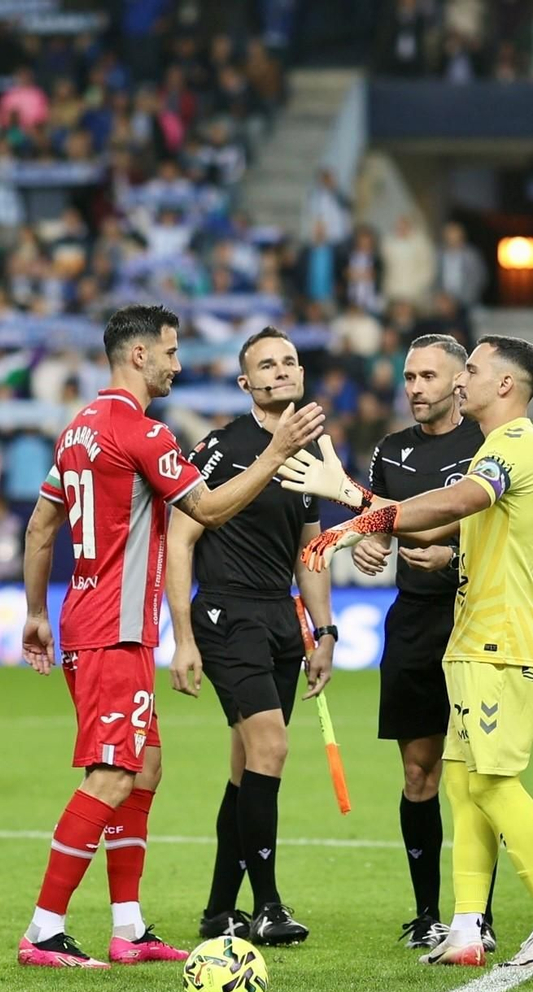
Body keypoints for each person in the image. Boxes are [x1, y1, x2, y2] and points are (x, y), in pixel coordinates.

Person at [17, 306, 323, 968]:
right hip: (113, 629)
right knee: (110, 774)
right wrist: (275, 452)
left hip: (89, 618)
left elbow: (42, 526)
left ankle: (128, 929)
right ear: (138, 356)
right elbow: (207, 510)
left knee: (146, 766)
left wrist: (36, 610)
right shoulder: (141, 431)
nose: (177, 365)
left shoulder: (77, 430)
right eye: (170, 353)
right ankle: (43, 928)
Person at [285, 335, 533, 970]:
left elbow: (455, 501)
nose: (460, 382)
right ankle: (465, 927)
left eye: (470, 371)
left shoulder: (516, 447)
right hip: (470, 639)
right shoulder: (496, 454)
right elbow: (428, 519)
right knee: (460, 783)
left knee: (494, 785)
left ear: (503, 385)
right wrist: (349, 495)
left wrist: (350, 522)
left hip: (501, 642)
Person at [165, 326, 339, 948]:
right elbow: (179, 539)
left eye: (289, 360)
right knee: (271, 748)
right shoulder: (219, 447)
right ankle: (266, 905)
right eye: (266, 365)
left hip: (278, 620)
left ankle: (218, 910)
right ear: (246, 383)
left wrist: (324, 630)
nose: (281, 370)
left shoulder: (315, 452)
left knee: (247, 769)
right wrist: (182, 636)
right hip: (225, 615)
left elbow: (309, 550)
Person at [352, 334, 498, 951]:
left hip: (473, 618)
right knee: (420, 771)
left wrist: (454, 554)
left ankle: (478, 916)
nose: (414, 388)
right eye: (409, 377)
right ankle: (427, 913)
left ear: (459, 381)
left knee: (478, 774)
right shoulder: (391, 450)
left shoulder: (489, 445)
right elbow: (376, 521)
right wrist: (367, 541)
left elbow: (510, 535)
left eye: (427, 377)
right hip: (412, 621)